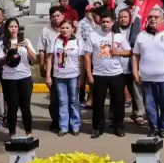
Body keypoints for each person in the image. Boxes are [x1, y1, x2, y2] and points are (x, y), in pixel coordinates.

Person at [133, 7, 164, 138]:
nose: (153, 19)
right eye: (150, 17)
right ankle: (154, 127)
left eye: (156, 17)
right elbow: (135, 56)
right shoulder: (141, 35)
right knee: (149, 105)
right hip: (147, 78)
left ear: (162, 19)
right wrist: (135, 72)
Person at [84, 10, 131, 138]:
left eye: (108, 22)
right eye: (103, 22)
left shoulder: (118, 36)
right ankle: (98, 127)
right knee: (98, 103)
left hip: (116, 74)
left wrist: (118, 52)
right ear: (99, 22)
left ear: (113, 22)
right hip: (99, 74)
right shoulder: (93, 36)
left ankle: (118, 126)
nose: (105, 24)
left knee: (118, 102)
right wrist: (89, 73)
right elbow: (87, 56)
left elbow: (129, 52)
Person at [0, 18, 36, 140]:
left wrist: (27, 47)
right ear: (6, 28)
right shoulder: (2, 44)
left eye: (15, 26)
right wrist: (9, 51)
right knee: (12, 107)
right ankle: (12, 133)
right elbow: (0, 62)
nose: (13, 29)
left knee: (25, 107)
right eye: (11, 26)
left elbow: (34, 59)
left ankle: (29, 132)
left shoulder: (25, 41)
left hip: (25, 78)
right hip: (9, 79)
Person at [44, 20, 82, 136]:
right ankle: (63, 126)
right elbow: (49, 59)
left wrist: (82, 77)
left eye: (67, 28)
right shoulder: (55, 41)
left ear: (72, 29)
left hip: (73, 75)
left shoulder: (77, 42)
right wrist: (48, 76)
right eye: (63, 28)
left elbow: (82, 61)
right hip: (59, 76)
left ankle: (75, 125)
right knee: (62, 102)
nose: (65, 30)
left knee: (74, 101)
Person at [38, 6, 64, 132]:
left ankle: (67, 121)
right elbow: (42, 49)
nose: (55, 18)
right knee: (54, 98)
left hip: (68, 68)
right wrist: (42, 66)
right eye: (53, 16)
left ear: (63, 16)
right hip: (52, 66)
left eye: (58, 16)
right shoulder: (46, 30)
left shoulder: (69, 28)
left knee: (67, 98)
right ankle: (55, 120)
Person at [118, 8, 144, 126]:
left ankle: (137, 114)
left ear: (130, 19)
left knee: (136, 93)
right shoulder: (114, 31)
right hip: (117, 68)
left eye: (125, 17)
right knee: (117, 94)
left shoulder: (135, 31)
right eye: (121, 17)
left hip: (132, 66)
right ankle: (116, 116)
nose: (123, 19)